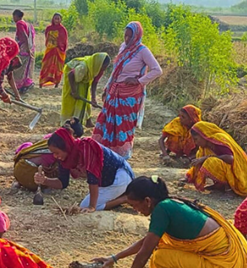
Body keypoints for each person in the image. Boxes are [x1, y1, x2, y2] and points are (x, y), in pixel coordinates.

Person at [93, 176, 247, 268]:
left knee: (161, 259)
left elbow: (146, 251)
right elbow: (147, 241)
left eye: (135, 206)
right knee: (167, 247)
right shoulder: (171, 203)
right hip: (232, 261)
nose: (135, 210)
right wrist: (114, 258)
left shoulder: (162, 209)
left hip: (223, 266)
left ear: (147, 201)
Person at [93, 22, 162, 159]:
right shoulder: (123, 48)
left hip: (129, 95)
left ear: (136, 36)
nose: (126, 40)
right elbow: (115, 71)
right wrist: (107, 87)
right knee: (107, 122)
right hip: (114, 91)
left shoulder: (142, 51)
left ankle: (121, 155)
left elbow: (157, 70)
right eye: (125, 36)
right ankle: (105, 151)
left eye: (130, 37)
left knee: (123, 125)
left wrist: (139, 81)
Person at [34, 127, 134, 211]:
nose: (55, 156)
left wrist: (92, 207)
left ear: (66, 147)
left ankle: (124, 198)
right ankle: (119, 195)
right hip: (106, 180)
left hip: (120, 176)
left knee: (85, 206)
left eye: (57, 152)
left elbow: (93, 178)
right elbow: (62, 183)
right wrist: (45, 181)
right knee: (87, 204)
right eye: (53, 153)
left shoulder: (86, 148)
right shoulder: (65, 159)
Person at [185, 121, 247, 196]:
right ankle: (220, 185)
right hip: (230, 169)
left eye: (196, 139)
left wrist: (205, 158)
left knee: (211, 161)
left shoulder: (219, 138)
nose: (195, 143)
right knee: (200, 155)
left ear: (203, 135)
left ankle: (229, 187)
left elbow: (230, 159)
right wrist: (189, 176)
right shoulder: (205, 147)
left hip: (242, 176)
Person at [13, 118, 84, 191]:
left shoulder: (51, 138)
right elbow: (63, 181)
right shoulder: (61, 148)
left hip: (18, 169)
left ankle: (20, 182)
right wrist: (45, 180)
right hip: (30, 175)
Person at [60, 53, 110, 128]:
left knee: (86, 96)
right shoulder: (83, 67)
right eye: (103, 67)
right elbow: (70, 75)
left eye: (105, 68)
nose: (103, 69)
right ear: (99, 64)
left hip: (83, 78)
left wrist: (94, 98)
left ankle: (87, 121)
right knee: (71, 100)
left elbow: (94, 83)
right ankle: (68, 122)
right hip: (72, 76)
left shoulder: (98, 69)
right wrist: (73, 91)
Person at [39, 13, 68, 88]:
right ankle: (41, 83)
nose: (57, 20)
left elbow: (64, 40)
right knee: (45, 65)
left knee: (57, 68)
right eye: (55, 18)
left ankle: (56, 83)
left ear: (60, 20)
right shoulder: (49, 28)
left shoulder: (62, 29)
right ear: (53, 19)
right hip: (49, 50)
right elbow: (47, 37)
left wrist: (59, 46)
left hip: (58, 51)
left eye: (58, 19)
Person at [12, 9, 36, 94]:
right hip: (26, 48)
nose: (13, 18)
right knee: (25, 68)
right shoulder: (26, 23)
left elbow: (24, 36)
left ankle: (20, 85)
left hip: (23, 49)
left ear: (16, 16)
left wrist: (27, 49)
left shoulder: (19, 23)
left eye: (13, 16)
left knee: (19, 67)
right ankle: (25, 84)